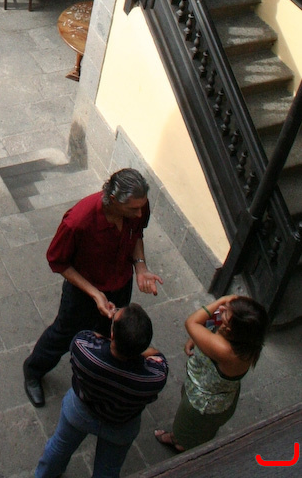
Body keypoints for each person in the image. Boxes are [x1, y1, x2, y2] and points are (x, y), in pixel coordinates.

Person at [23, 168, 162, 408]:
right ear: (113, 199)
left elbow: (137, 234)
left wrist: (140, 267)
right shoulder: (78, 221)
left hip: (120, 284)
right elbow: (58, 261)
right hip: (84, 292)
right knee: (63, 334)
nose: (140, 213)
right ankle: (33, 371)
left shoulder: (139, 208)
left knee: (111, 334)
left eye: (141, 207)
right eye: (133, 209)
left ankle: (99, 372)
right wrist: (95, 294)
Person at [35, 305, 168, 478]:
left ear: (112, 334)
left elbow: (88, 335)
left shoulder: (83, 349)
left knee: (59, 448)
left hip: (80, 412)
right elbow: (158, 357)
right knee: (108, 470)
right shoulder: (155, 378)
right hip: (121, 425)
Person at [154, 294, 268, 452]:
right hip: (220, 399)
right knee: (203, 430)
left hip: (202, 406)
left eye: (225, 313)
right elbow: (213, 325)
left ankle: (178, 442)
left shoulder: (225, 351)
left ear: (230, 330)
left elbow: (191, 322)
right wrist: (198, 338)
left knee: (186, 430)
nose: (220, 309)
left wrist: (222, 299)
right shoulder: (247, 340)